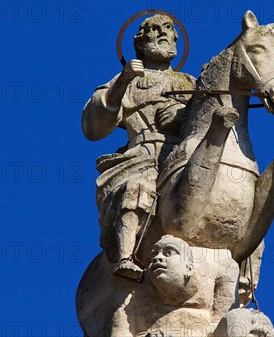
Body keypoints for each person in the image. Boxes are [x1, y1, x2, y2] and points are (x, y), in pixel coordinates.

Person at [82, 14, 195, 280]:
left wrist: (183, 117)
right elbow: (93, 128)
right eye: (154, 30)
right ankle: (126, 256)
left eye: (169, 30)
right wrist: (123, 81)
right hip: (142, 156)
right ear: (140, 43)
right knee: (136, 189)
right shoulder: (125, 80)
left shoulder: (191, 83)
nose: (164, 34)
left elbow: (208, 119)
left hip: (184, 153)